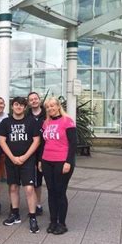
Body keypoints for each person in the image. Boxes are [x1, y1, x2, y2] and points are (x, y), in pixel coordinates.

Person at [0, 97, 41, 233]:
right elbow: (2, 141)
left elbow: (36, 141)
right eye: (16, 105)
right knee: (13, 188)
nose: (18, 107)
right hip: (11, 161)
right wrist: (12, 157)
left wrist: (24, 157)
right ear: (12, 106)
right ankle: (14, 214)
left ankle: (33, 217)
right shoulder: (6, 122)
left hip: (27, 161)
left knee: (29, 189)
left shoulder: (31, 122)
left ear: (25, 107)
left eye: (21, 105)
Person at [39, 97, 77, 235]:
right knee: (51, 191)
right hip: (47, 160)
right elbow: (43, 144)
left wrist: (68, 162)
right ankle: (53, 221)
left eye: (52, 105)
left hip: (62, 161)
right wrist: (40, 161)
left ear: (58, 106)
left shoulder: (67, 121)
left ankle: (62, 223)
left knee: (60, 192)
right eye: (48, 107)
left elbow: (73, 144)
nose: (50, 108)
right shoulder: (46, 123)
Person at [27, 92, 45, 216]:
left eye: (36, 99)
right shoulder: (26, 116)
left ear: (39, 100)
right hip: (29, 153)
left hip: (44, 152)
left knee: (38, 181)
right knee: (30, 182)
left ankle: (38, 204)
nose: (34, 101)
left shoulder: (47, 114)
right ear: (28, 103)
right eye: (31, 99)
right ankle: (32, 204)